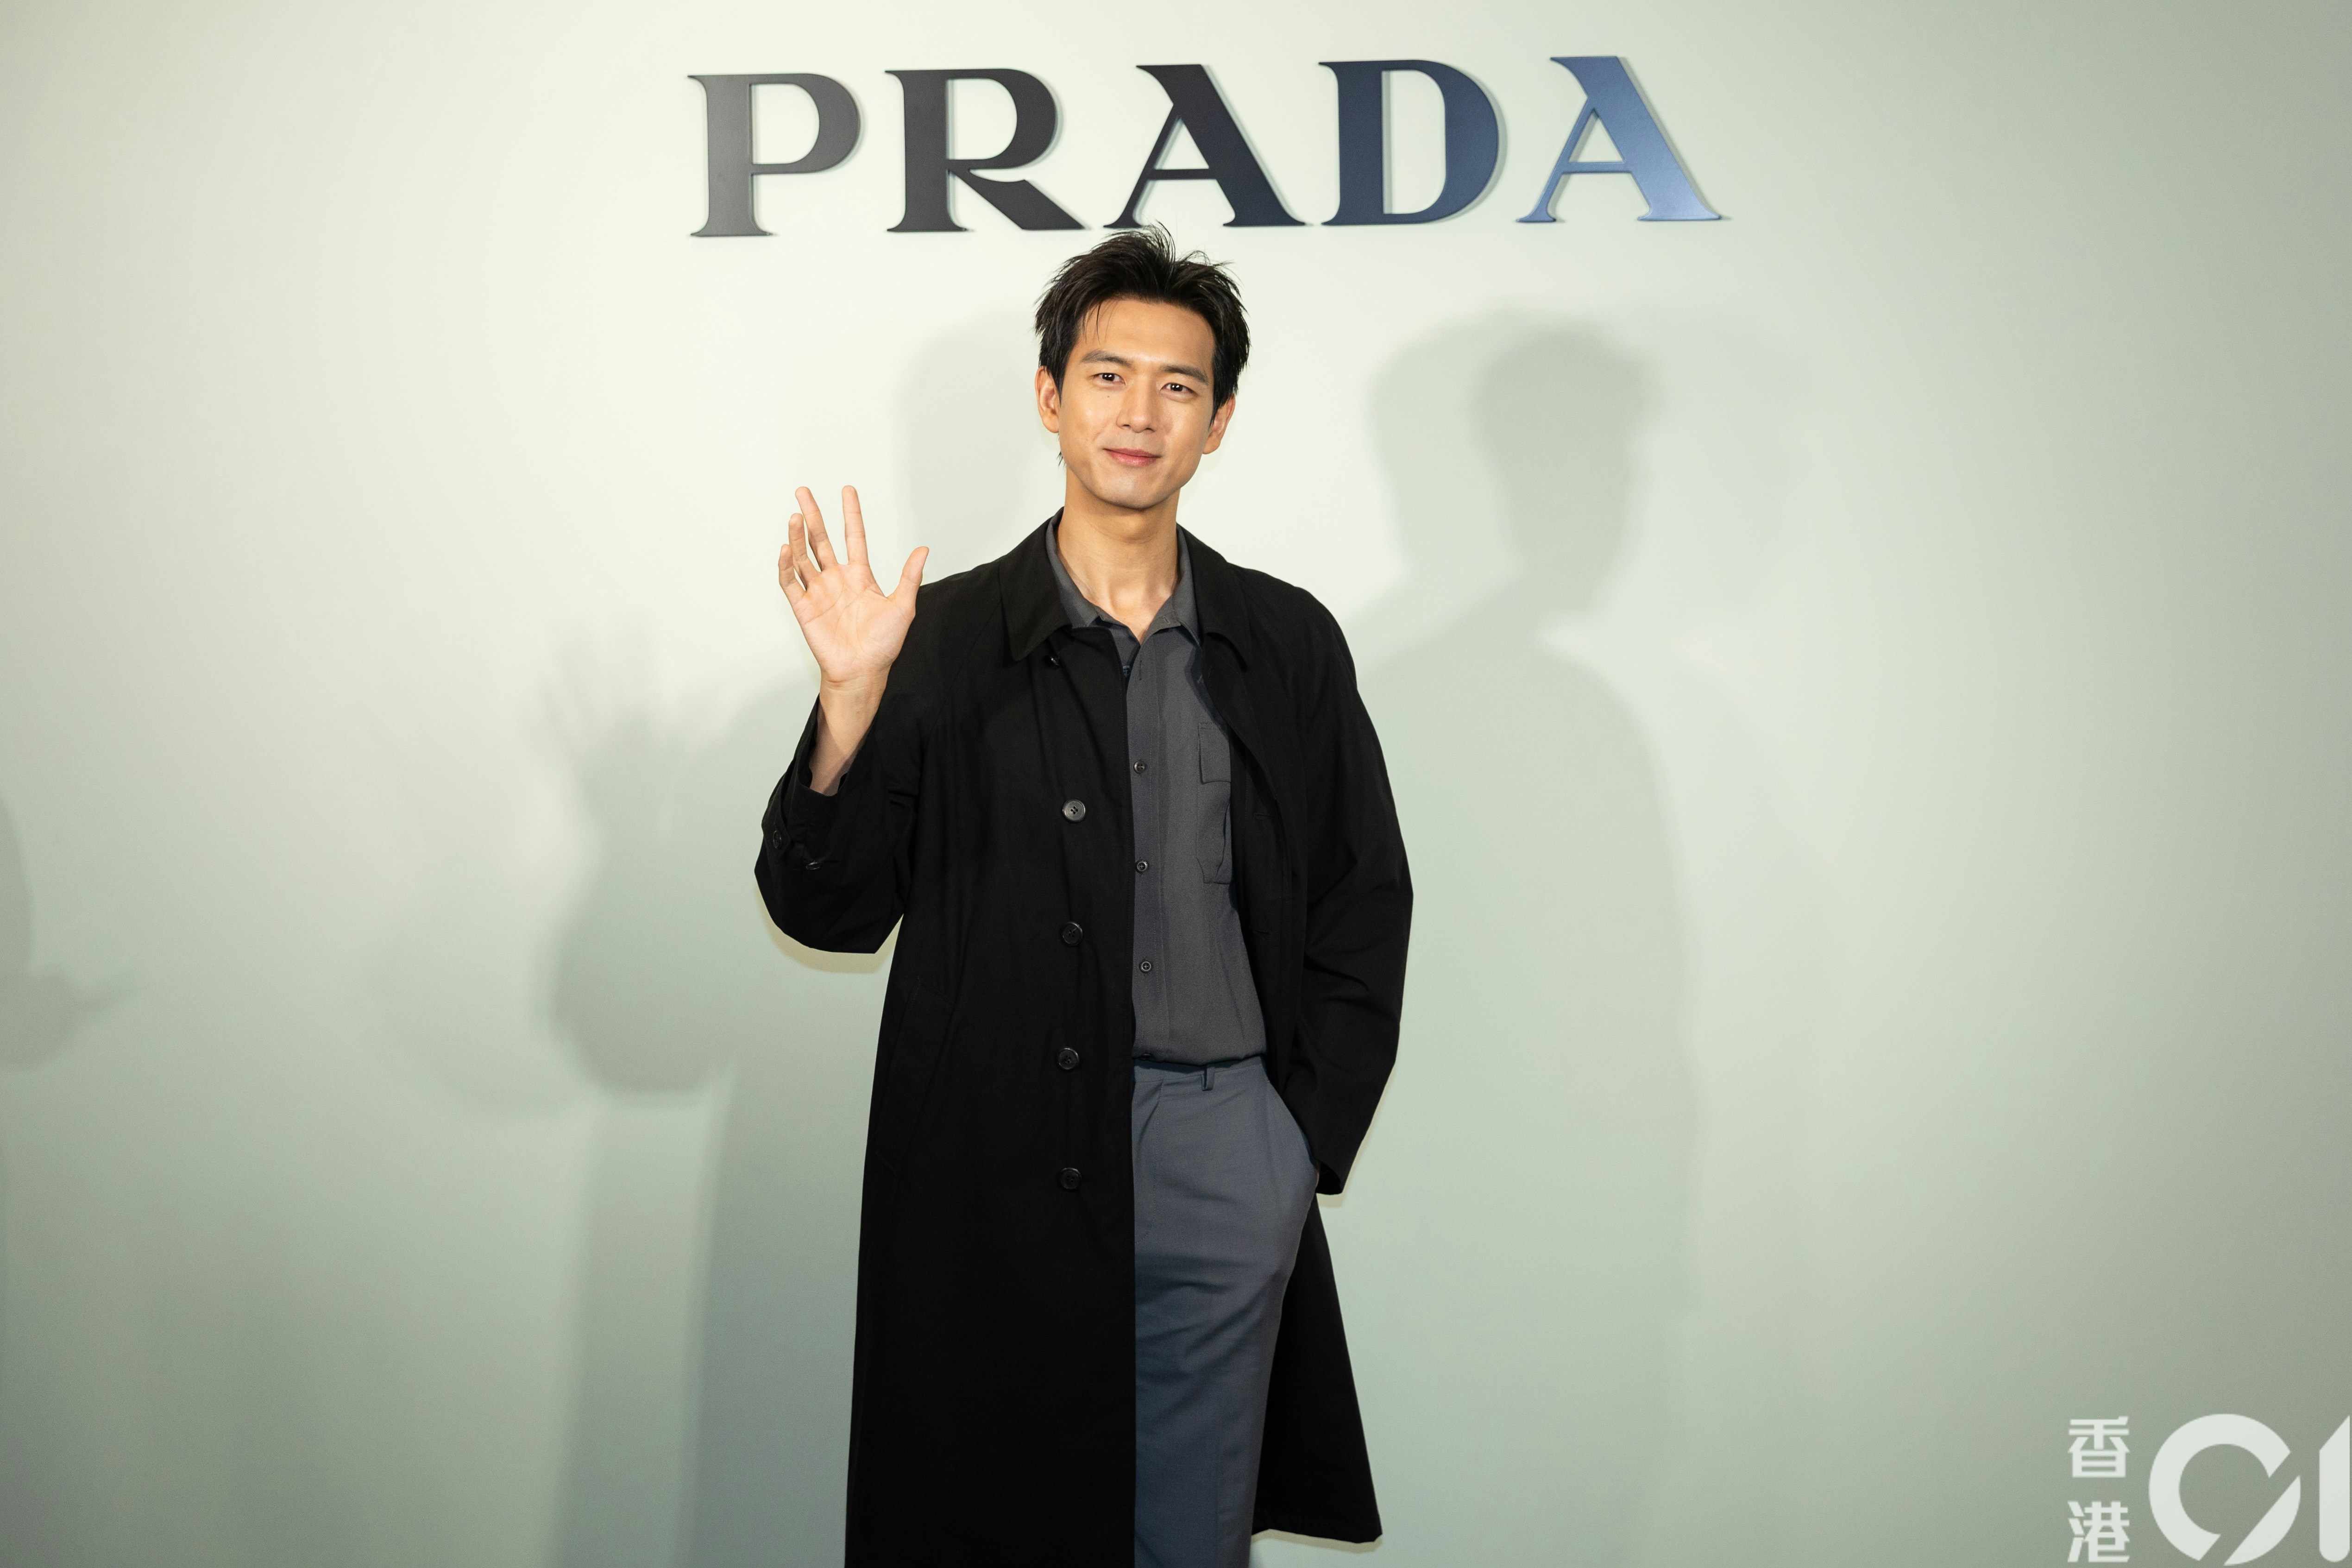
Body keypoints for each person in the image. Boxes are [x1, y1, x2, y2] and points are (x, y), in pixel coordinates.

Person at [756, 227, 1412, 1568]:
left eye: (1179, 385)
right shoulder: (939, 639)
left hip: (1224, 1143)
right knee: (991, 1523)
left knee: (1188, 1536)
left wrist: (1292, 1142)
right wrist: (850, 702)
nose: (1140, 413)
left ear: (1220, 422)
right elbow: (828, 909)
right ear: (1051, 397)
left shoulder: (1284, 639)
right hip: (993, 1156)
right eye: (1108, 376)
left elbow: (1364, 896)